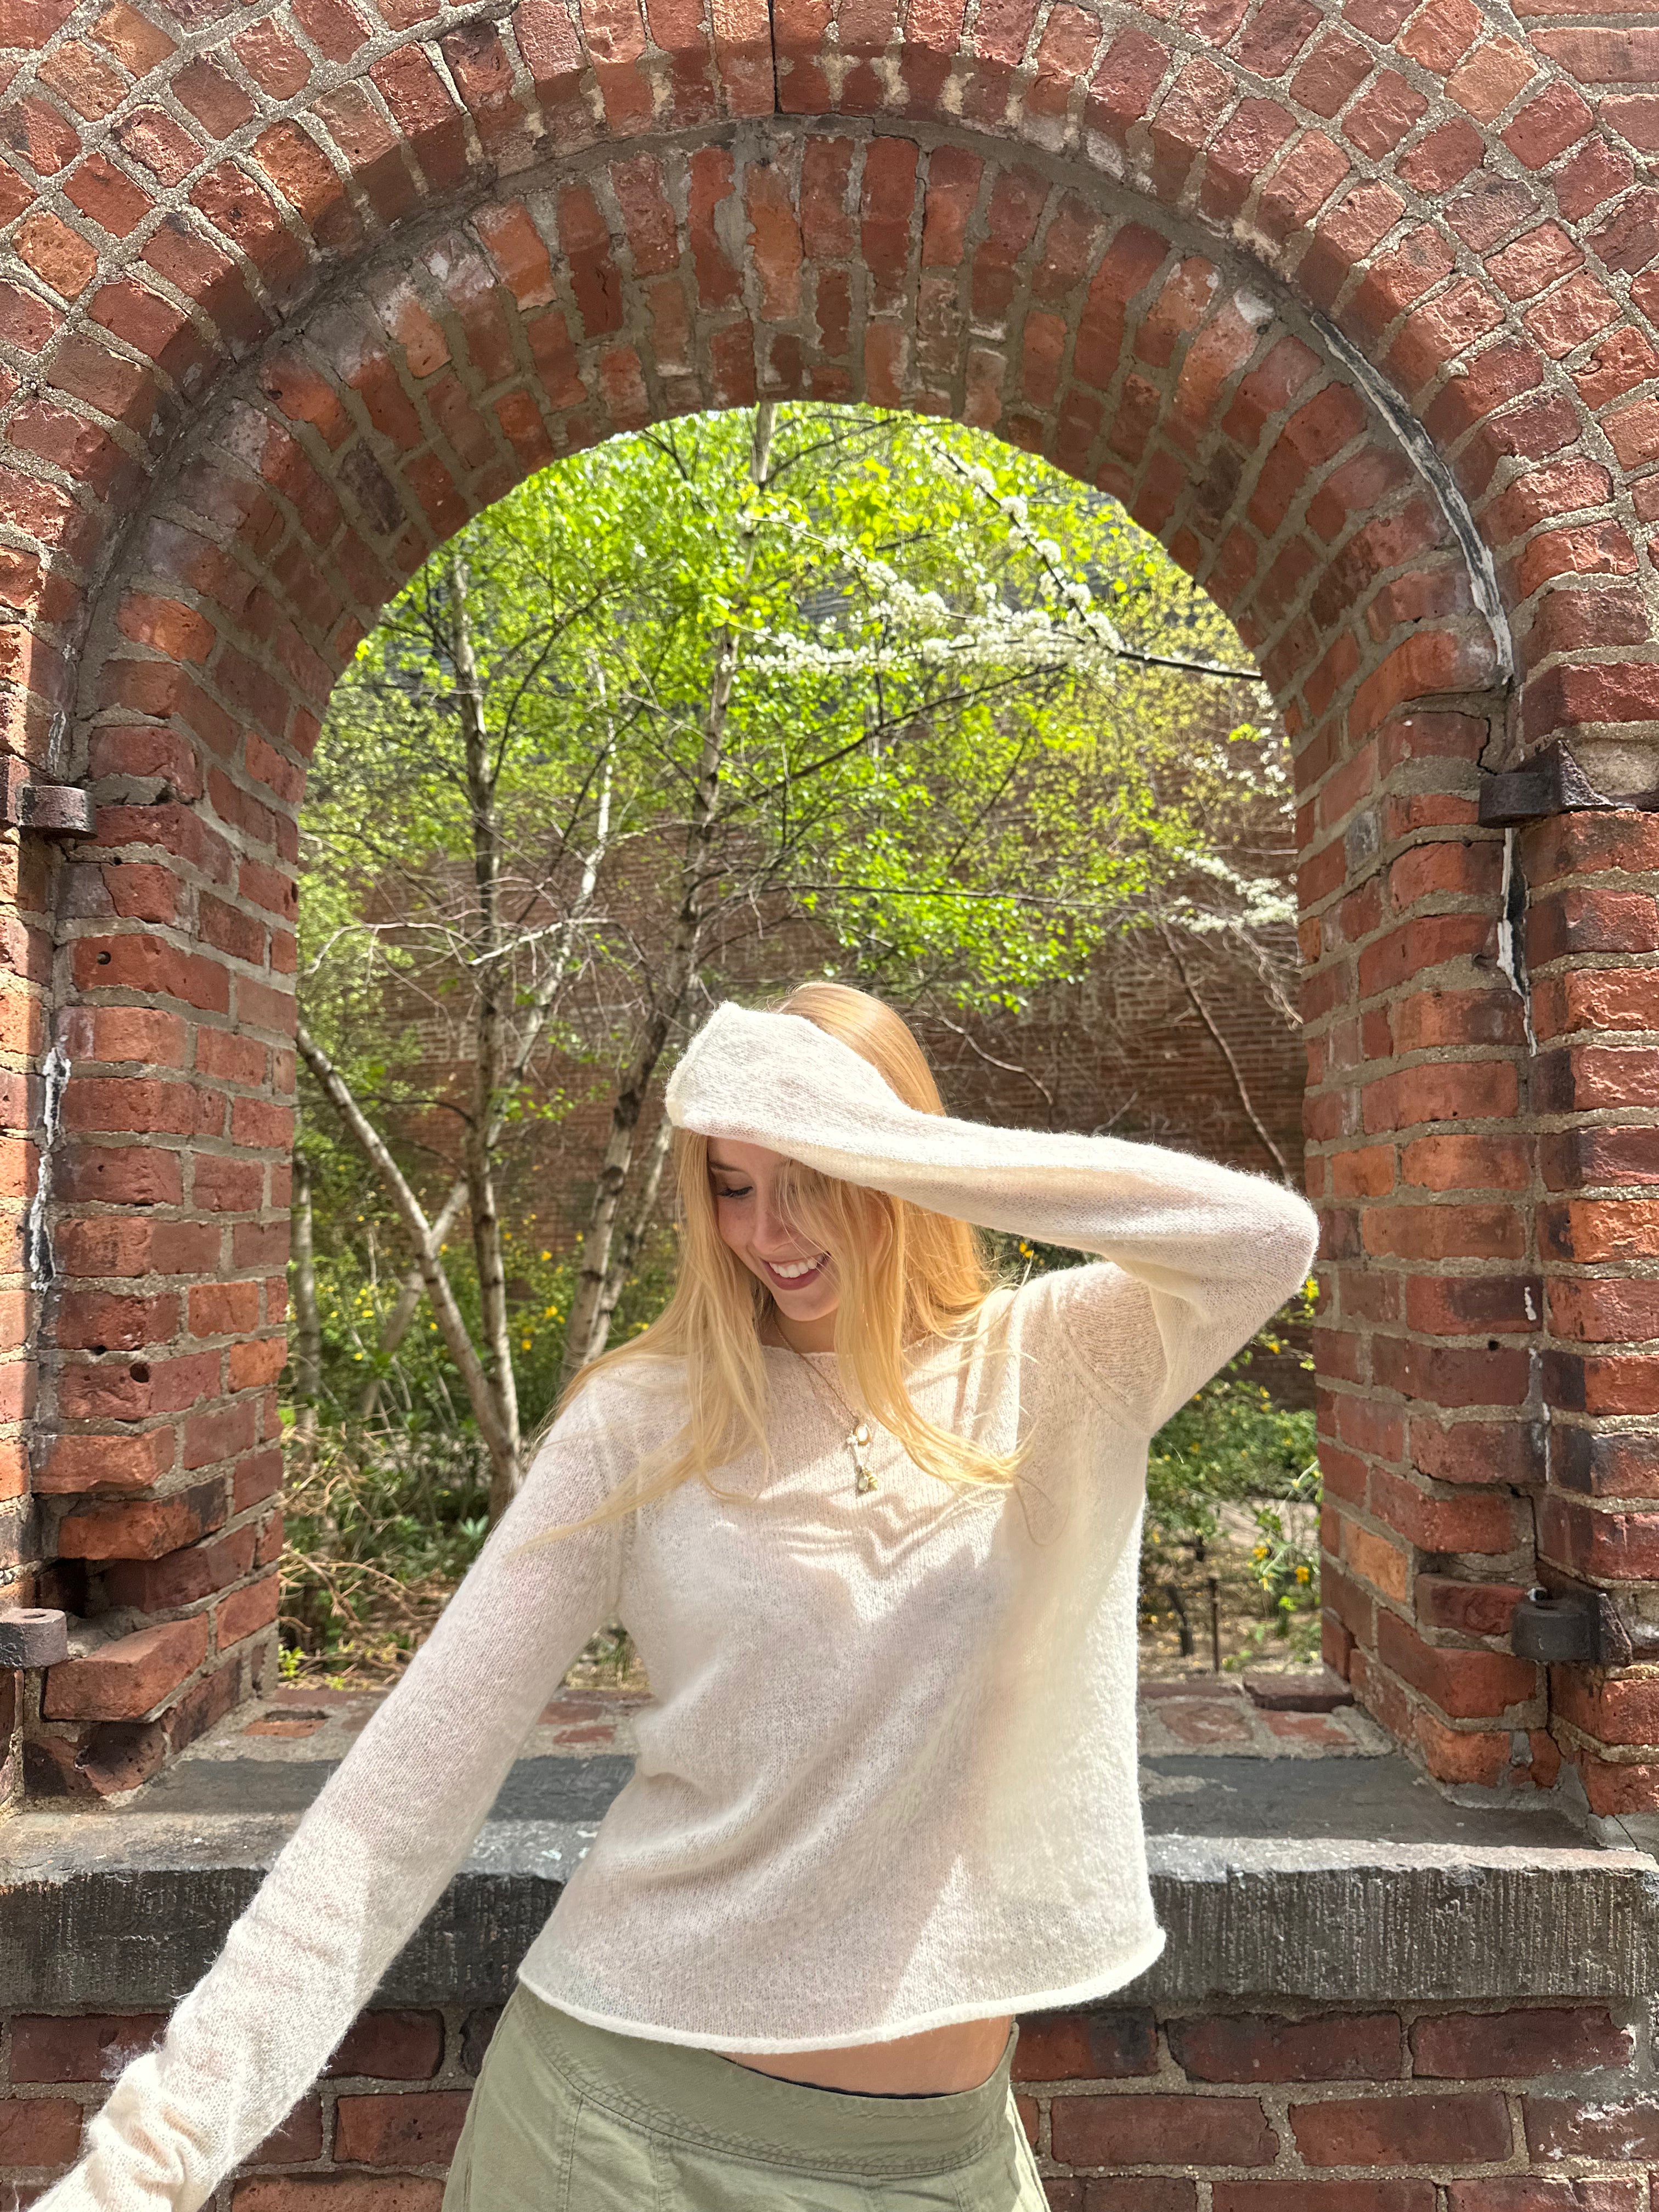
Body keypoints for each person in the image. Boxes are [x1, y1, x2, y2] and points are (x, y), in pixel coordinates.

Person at [38, 981, 1319, 2212]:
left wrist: (884, 1142)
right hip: (627, 2138)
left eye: (815, 1178)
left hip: (954, 2158)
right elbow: (401, 1799)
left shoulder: (1057, 1359)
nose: (770, 1232)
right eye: (733, 1186)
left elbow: (1264, 1239)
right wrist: (150, 2161)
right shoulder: (645, 1420)